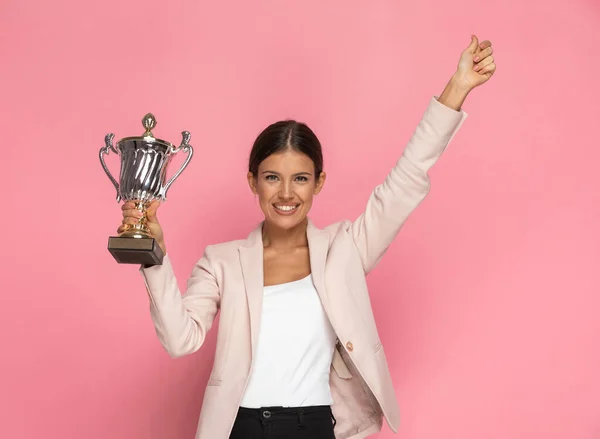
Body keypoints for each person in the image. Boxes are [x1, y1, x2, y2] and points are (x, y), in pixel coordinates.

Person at [120, 35, 496, 439]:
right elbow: (180, 340)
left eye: (300, 179)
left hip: (314, 426)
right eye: (271, 178)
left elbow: (402, 185)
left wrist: (456, 89)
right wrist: (151, 254)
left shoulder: (344, 249)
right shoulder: (221, 261)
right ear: (253, 182)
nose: (285, 194)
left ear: (319, 183)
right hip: (240, 428)